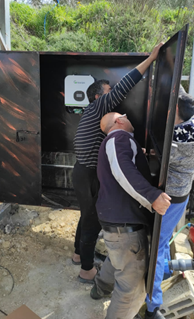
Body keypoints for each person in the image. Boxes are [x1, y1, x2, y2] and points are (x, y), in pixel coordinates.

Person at [72, 42, 164, 283]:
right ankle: (86, 270)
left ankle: (78, 254)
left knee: (86, 215)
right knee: (91, 220)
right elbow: (125, 86)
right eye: (108, 90)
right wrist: (151, 58)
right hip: (87, 174)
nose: (112, 93)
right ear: (98, 96)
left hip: (82, 172)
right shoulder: (99, 107)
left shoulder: (91, 115)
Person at [89, 112, 171, 319]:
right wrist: (152, 197)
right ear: (118, 121)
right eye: (124, 115)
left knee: (118, 257)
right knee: (132, 290)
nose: (128, 116)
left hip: (115, 222)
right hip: (124, 224)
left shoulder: (120, 141)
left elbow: (123, 165)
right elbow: (123, 170)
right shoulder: (118, 138)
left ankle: (99, 288)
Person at [145, 92, 194, 319]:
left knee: (156, 245)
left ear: (175, 111)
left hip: (169, 198)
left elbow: (161, 154)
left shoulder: (175, 137)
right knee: (163, 239)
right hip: (182, 195)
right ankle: (165, 272)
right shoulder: (191, 126)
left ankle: (153, 305)